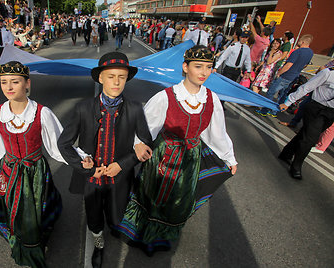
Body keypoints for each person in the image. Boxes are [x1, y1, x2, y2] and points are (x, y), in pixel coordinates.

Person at [114, 45, 237, 255]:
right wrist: (139, 144)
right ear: (185, 67)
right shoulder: (165, 97)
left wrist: (229, 158)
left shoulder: (211, 99)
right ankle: (142, 234)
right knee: (152, 196)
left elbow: (216, 133)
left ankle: (160, 236)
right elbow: (146, 127)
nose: (204, 72)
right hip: (163, 157)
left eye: (208, 67)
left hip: (190, 158)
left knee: (178, 199)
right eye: (198, 66)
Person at [58, 52, 152, 268]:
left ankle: (117, 227)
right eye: (110, 76)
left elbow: (146, 143)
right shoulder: (83, 108)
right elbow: (64, 143)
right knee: (93, 214)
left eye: (121, 76)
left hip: (120, 177)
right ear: (100, 78)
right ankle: (98, 242)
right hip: (92, 178)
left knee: (117, 215)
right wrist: (84, 167)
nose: (116, 82)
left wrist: (123, 163)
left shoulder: (135, 108)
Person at [0, 61, 71, 268]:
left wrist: (81, 159)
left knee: (35, 210)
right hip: (9, 170)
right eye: (4, 82)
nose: (8, 87)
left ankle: (35, 246)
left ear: (27, 84)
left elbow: (58, 144)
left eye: (15, 82)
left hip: (35, 171)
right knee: (13, 208)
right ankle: (19, 243)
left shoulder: (41, 113)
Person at [278, 67, 334, 179]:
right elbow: (306, 87)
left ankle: (286, 153)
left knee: (306, 133)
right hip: (317, 108)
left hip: (331, 113)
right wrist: (288, 102)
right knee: (310, 140)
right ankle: (296, 166)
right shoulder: (328, 73)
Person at [256, 34, 314, 117]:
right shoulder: (310, 53)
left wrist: (279, 73)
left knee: (271, 92)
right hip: (294, 76)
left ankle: (265, 110)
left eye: (300, 40)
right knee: (283, 95)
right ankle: (274, 112)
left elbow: (288, 65)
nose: (298, 41)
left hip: (286, 76)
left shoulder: (297, 52)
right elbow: (305, 65)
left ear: (303, 42)